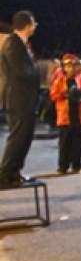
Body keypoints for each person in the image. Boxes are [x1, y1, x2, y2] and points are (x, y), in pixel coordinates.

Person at [0, 10, 39, 187]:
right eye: (33, 23)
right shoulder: (13, 44)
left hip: (26, 99)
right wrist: (37, 74)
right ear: (27, 25)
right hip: (17, 99)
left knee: (25, 137)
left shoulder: (22, 44)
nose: (35, 26)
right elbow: (19, 71)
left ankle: (15, 172)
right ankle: (4, 174)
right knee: (17, 137)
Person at [49, 54, 81, 174]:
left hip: (78, 116)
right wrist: (64, 94)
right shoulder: (59, 81)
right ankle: (63, 167)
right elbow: (53, 95)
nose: (71, 68)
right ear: (64, 68)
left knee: (78, 143)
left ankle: (77, 165)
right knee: (64, 143)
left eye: (73, 65)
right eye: (68, 66)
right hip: (65, 116)